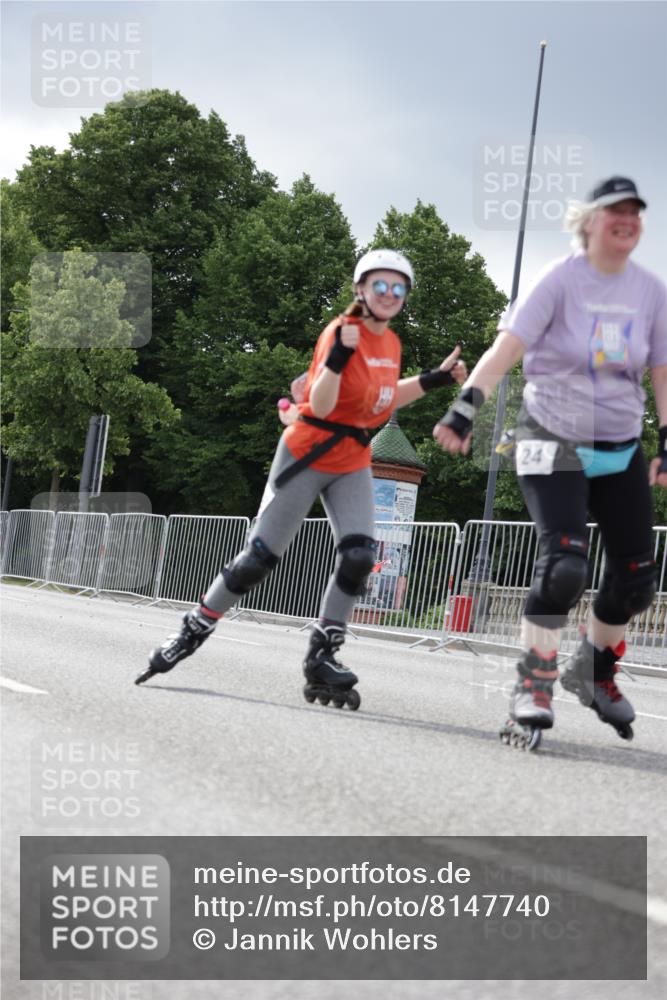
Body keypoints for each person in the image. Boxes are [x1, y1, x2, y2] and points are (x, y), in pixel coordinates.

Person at [137, 249, 467, 707]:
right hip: (308, 449)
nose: (390, 294)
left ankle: (321, 657)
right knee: (259, 559)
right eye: (380, 286)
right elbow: (326, 403)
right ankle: (191, 629)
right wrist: (336, 359)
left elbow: (381, 401)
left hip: (352, 455)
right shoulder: (339, 332)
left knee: (358, 557)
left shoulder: (390, 343)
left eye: (399, 288)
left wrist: (436, 379)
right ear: (361, 290)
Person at [433, 176, 667, 744]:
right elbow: (507, 348)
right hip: (551, 436)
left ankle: (593, 670)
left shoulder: (650, 291)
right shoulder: (558, 279)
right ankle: (531, 685)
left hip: (617, 444)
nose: (627, 219)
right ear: (588, 221)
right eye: (615, 210)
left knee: (637, 577)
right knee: (564, 566)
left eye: (636, 211)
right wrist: (465, 410)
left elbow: (661, 368)